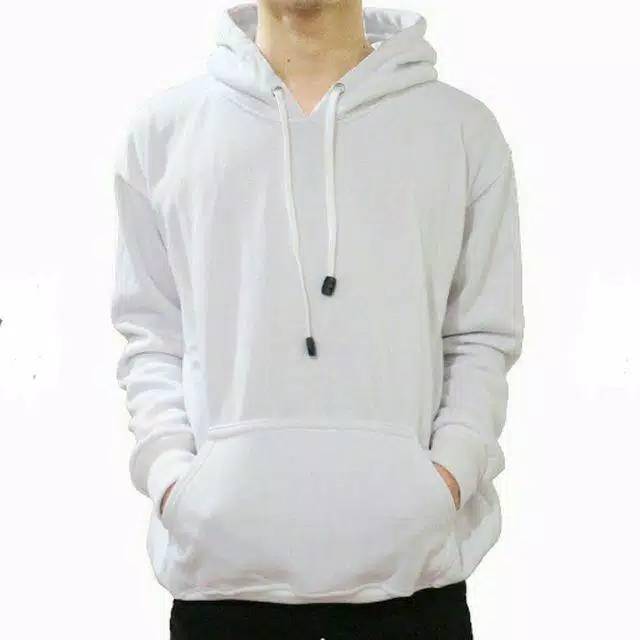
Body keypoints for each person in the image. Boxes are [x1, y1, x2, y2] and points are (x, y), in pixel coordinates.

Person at [110, 1, 524, 638]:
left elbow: (479, 336)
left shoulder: (460, 131)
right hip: (221, 586)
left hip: (412, 589)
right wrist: (174, 483)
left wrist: (446, 480)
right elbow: (152, 335)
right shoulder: (163, 134)